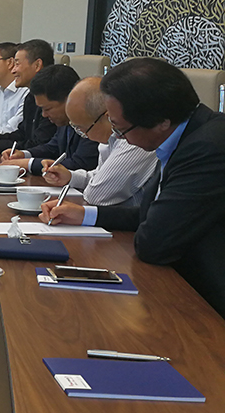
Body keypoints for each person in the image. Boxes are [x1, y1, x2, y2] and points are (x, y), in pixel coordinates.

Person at [41, 59, 225, 317]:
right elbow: (152, 214)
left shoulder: (206, 149)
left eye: (121, 129)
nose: (118, 137)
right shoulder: (183, 134)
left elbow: (154, 242)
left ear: (161, 121)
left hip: (205, 302)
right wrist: (86, 215)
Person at [42, 77, 158, 207]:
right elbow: (100, 176)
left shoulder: (134, 140)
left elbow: (96, 195)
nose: (83, 135)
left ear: (108, 117)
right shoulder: (110, 138)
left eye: (82, 128)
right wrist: (70, 177)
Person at [0, 65, 98, 174]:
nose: (44, 115)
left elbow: (80, 164)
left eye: (47, 109)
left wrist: (29, 164)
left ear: (70, 99)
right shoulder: (64, 121)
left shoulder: (93, 122)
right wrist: (24, 154)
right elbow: (52, 148)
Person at [0, 39, 56, 152]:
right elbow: (22, 133)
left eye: (17, 64)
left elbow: (41, 144)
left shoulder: (52, 96)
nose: (13, 71)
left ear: (37, 65)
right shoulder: (30, 97)